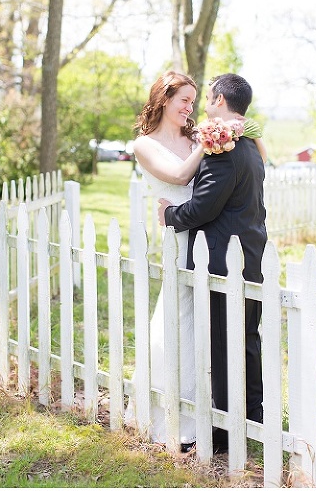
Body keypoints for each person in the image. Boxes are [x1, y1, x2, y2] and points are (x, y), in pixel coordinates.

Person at [158, 73, 267, 455]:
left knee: (223, 346)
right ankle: (254, 417)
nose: (203, 105)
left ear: (220, 100)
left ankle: (224, 433)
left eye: (206, 97)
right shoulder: (251, 145)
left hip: (221, 261)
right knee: (247, 341)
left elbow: (204, 206)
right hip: (250, 254)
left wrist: (170, 214)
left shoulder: (224, 147)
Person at [125, 70, 204, 450]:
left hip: (209, 232)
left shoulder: (193, 136)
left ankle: (205, 409)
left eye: (193, 101)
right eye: (184, 100)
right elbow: (179, 175)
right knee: (176, 318)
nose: (190, 108)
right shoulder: (144, 144)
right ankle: (166, 416)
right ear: (164, 98)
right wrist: (210, 142)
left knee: (203, 322)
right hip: (179, 236)